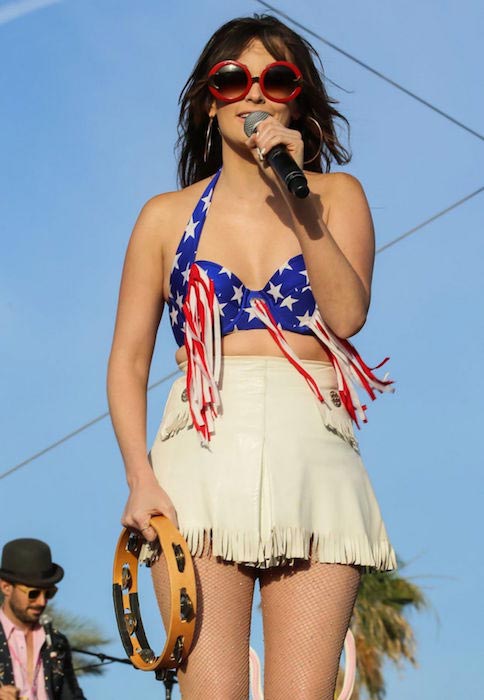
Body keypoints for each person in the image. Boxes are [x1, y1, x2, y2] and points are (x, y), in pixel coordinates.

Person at [107, 14, 396, 700]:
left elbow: (347, 314)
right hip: (200, 453)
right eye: (233, 79)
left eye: (277, 78)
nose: (255, 94)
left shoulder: (334, 197)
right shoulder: (163, 216)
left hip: (314, 448)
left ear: (297, 97)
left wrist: (295, 190)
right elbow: (126, 362)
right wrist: (139, 479)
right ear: (211, 99)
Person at [0, 539, 86, 700]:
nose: (41, 602)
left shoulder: (56, 643)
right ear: (6, 587)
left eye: (48, 593)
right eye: (33, 593)